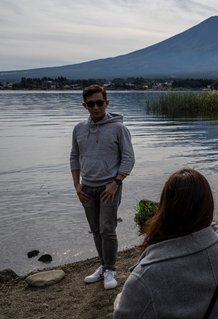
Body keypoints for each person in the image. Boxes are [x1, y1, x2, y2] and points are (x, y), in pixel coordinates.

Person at [113, 168, 218, 318]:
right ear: (209, 207)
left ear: (165, 210)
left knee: (119, 299)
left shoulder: (145, 278)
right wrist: (199, 213)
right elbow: (213, 231)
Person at [70, 84, 135, 290]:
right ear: (85, 105)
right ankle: (102, 266)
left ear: (106, 103)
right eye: (91, 104)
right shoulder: (79, 129)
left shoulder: (119, 128)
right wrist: (77, 185)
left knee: (108, 229)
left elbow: (128, 158)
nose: (96, 107)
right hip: (87, 188)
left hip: (109, 187)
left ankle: (111, 269)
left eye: (100, 102)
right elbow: (74, 157)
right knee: (96, 230)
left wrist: (116, 182)